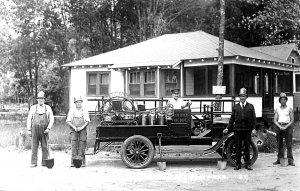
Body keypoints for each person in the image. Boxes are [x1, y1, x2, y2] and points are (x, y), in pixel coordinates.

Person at [223, 88, 257, 170]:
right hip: (237, 130)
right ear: (239, 97)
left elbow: (254, 119)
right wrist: (227, 128)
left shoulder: (250, 106)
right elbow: (232, 119)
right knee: (238, 147)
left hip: (247, 130)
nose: (242, 98)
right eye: (241, 96)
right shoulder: (236, 107)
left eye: (244, 96)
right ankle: (238, 164)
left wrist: (253, 128)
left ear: (246, 97)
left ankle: (248, 164)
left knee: (247, 147)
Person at [27, 91, 54, 167]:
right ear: (37, 99)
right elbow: (29, 119)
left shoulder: (47, 108)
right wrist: (29, 130)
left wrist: (48, 128)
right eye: (39, 98)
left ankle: (45, 162)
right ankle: (33, 162)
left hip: (44, 130)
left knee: (45, 147)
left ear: (44, 100)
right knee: (34, 146)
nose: (40, 100)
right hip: (34, 130)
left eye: (42, 98)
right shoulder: (33, 108)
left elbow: (52, 119)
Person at [66, 96, 90, 167]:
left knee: (82, 144)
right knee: (74, 145)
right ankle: (73, 162)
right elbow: (68, 121)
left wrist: (81, 127)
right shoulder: (72, 110)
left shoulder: (84, 110)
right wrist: (74, 127)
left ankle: (81, 162)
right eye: (77, 102)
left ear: (81, 102)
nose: (78, 103)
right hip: (74, 129)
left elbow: (87, 121)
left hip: (83, 129)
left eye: (79, 102)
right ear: (75, 103)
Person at [273, 93, 295, 166]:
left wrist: (286, 127)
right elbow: (275, 120)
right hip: (279, 126)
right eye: (281, 99)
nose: (283, 101)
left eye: (284, 99)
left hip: (288, 126)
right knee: (280, 144)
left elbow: (292, 120)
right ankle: (279, 159)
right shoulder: (277, 109)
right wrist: (279, 126)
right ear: (280, 101)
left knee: (289, 144)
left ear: (286, 100)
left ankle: (290, 160)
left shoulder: (289, 109)